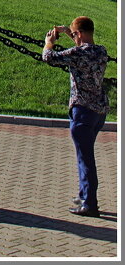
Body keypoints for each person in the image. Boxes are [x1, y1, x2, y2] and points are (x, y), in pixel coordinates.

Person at [43, 16, 109, 217]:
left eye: (75, 34)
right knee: (84, 155)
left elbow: (49, 57)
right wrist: (68, 32)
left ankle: (89, 203)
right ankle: (84, 195)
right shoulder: (100, 51)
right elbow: (83, 45)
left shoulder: (77, 53)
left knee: (85, 158)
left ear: (79, 34)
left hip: (82, 109)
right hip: (99, 110)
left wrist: (49, 42)